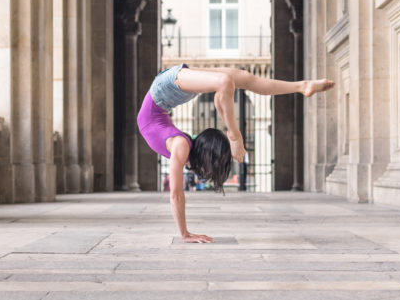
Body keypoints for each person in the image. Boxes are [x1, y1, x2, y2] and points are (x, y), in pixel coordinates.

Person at [137, 63, 335, 243]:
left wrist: (184, 234)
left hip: (164, 90)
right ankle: (298, 89)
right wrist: (186, 234)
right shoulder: (183, 146)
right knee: (237, 80)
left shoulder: (181, 146)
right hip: (168, 94)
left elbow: (175, 194)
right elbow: (176, 193)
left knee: (234, 81)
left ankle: (297, 89)